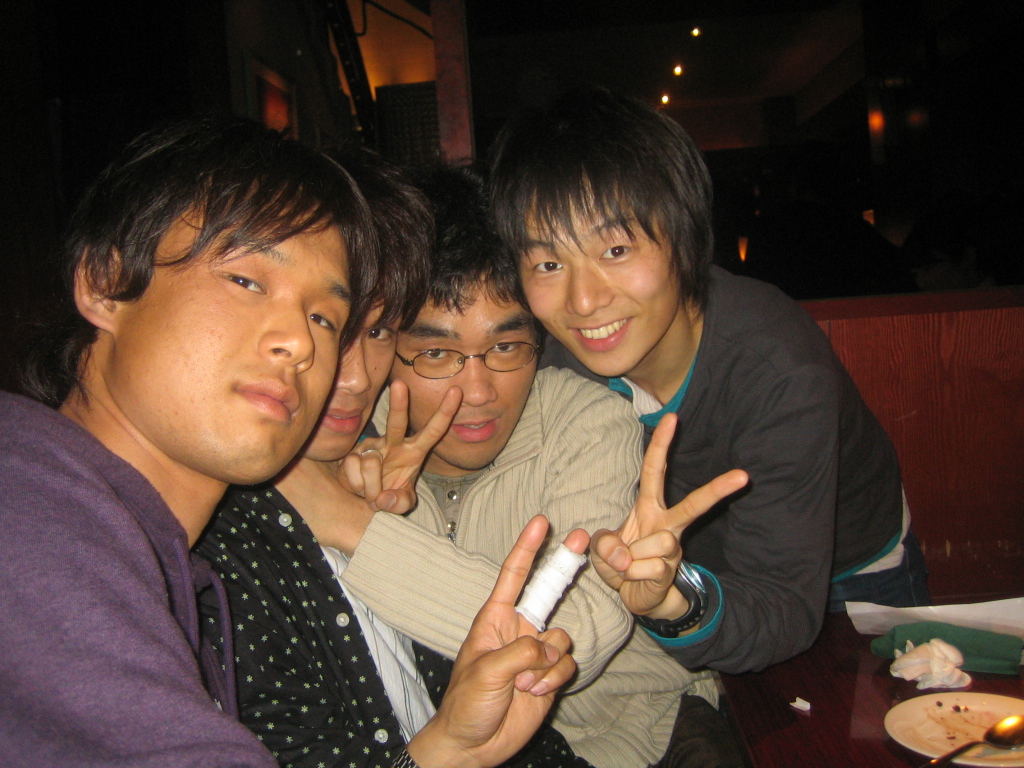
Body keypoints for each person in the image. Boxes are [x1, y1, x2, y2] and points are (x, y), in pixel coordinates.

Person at [0, 117, 579, 768]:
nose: (305, 344)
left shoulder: (160, 558)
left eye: (324, 317)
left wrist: (446, 753)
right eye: (248, 282)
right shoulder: (29, 516)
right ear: (107, 282)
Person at [308, 164, 744, 768]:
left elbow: (573, 633)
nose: (478, 391)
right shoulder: (350, 441)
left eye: (507, 346)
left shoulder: (588, 423)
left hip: (641, 740)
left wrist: (353, 526)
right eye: (435, 352)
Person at [488, 86, 930, 676]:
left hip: (847, 579)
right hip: (687, 578)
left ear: (686, 238)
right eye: (548, 263)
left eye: (615, 249)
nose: (584, 300)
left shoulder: (778, 368)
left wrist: (674, 603)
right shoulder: (550, 361)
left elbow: (784, 602)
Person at [196, 154, 585, 768]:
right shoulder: (215, 549)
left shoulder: (383, 468)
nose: (354, 377)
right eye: (326, 323)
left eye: (378, 331)